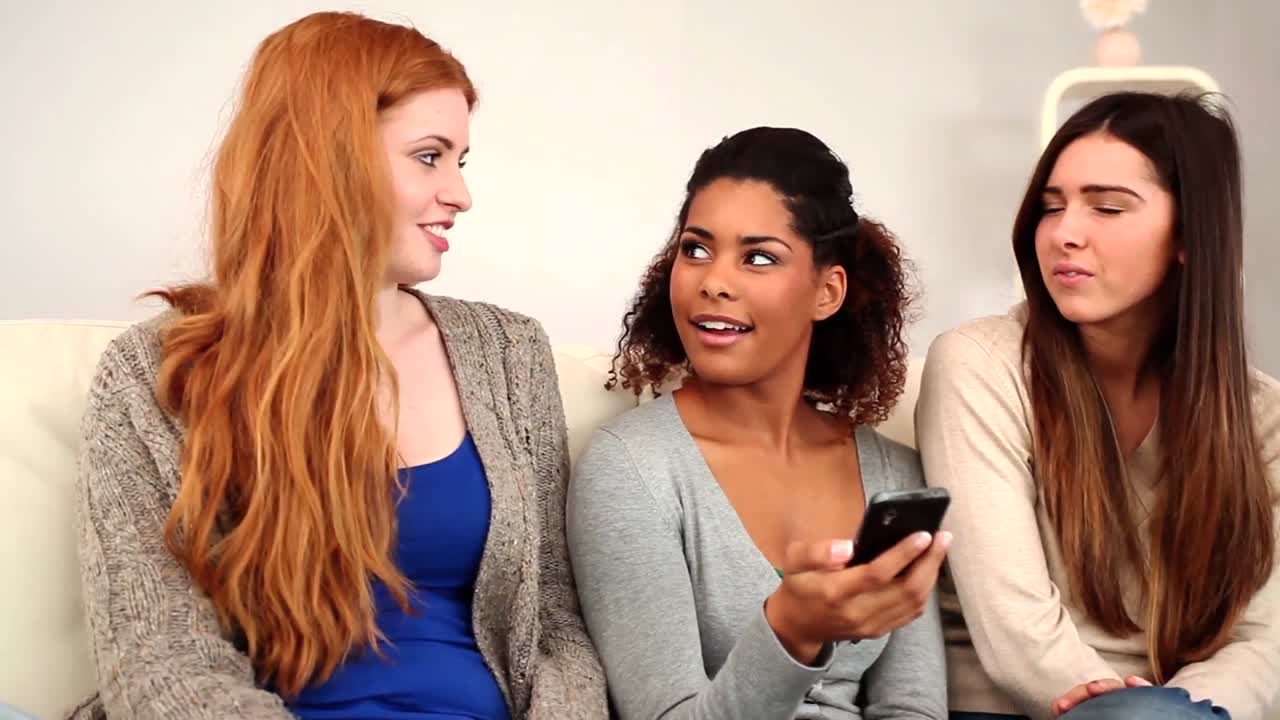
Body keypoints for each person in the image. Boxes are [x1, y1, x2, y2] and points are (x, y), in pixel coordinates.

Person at [70, 12, 606, 719]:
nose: (461, 194)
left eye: (461, 161)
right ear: (329, 158)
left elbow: (555, 627)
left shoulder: (510, 354)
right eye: (429, 156)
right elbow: (160, 664)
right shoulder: (154, 375)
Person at [917, 91, 1280, 720]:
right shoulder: (980, 365)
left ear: (1191, 237)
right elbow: (1016, 636)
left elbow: (1263, 643)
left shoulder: (1262, 417)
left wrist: (1185, 713)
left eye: (1107, 207)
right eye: (1051, 208)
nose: (1064, 234)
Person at [567, 126, 950, 719]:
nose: (713, 281)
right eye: (695, 249)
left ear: (827, 291)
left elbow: (914, 709)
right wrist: (791, 630)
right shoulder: (632, 468)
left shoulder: (891, 473)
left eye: (759, 257)